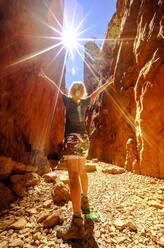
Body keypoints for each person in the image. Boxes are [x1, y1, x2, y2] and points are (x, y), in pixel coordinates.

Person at [40, 70, 114, 240]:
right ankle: (85, 205)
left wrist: (45, 76)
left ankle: (76, 222)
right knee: (81, 172)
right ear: (83, 91)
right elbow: (97, 92)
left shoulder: (67, 100)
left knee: (73, 177)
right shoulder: (87, 100)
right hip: (84, 140)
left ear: (71, 92)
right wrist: (109, 83)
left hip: (72, 140)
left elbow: (57, 88)